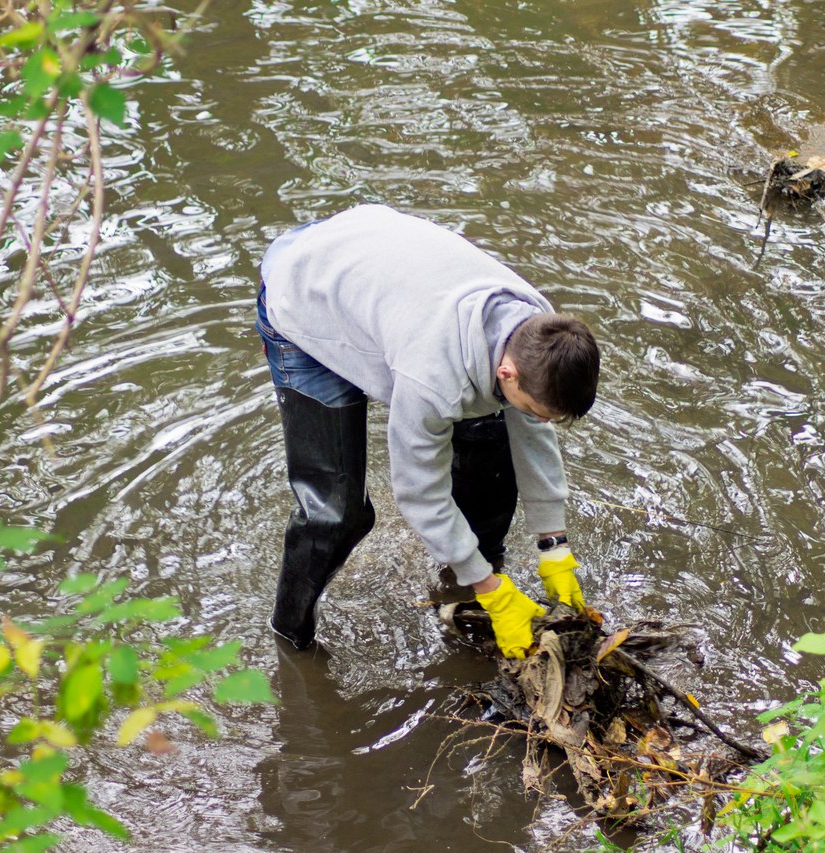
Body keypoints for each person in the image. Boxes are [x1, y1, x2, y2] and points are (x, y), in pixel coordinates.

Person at [255, 204, 600, 658]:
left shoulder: (537, 326)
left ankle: (465, 589)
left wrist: (553, 545)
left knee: (493, 448)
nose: (541, 422)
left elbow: (531, 432)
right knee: (336, 513)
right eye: (537, 409)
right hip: (304, 292)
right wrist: (495, 590)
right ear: (508, 372)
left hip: (370, 266)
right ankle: (290, 637)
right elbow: (419, 491)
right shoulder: (433, 377)